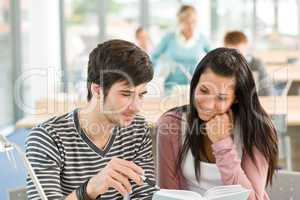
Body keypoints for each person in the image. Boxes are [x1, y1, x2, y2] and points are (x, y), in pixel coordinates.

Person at [26, 40, 157, 200]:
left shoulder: (137, 128)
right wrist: (89, 190)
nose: (136, 107)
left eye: (141, 94)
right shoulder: (47, 137)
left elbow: (145, 195)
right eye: (126, 94)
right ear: (97, 89)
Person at [157, 48, 278, 200]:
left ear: (236, 98)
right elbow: (169, 194)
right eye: (204, 90)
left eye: (221, 97)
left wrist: (223, 144)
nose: (207, 104)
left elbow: (252, 199)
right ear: (194, 85)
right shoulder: (171, 125)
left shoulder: (259, 130)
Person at [151, 5, 211, 93]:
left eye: (193, 22)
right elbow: (154, 56)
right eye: (187, 22)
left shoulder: (202, 39)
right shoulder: (169, 38)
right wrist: (155, 74)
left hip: (193, 86)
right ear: (180, 22)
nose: (191, 26)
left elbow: (215, 57)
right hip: (171, 87)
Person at [224, 31, 275, 96]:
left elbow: (267, 91)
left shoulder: (256, 64)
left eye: (239, 52)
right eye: (231, 53)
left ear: (246, 47)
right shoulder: (221, 65)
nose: (236, 57)